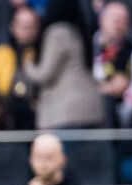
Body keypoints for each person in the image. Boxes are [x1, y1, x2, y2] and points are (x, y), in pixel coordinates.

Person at [25, 0, 104, 129]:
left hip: (66, 113)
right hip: (90, 110)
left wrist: (28, 65)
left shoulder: (58, 33)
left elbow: (44, 74)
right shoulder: (79, 31)